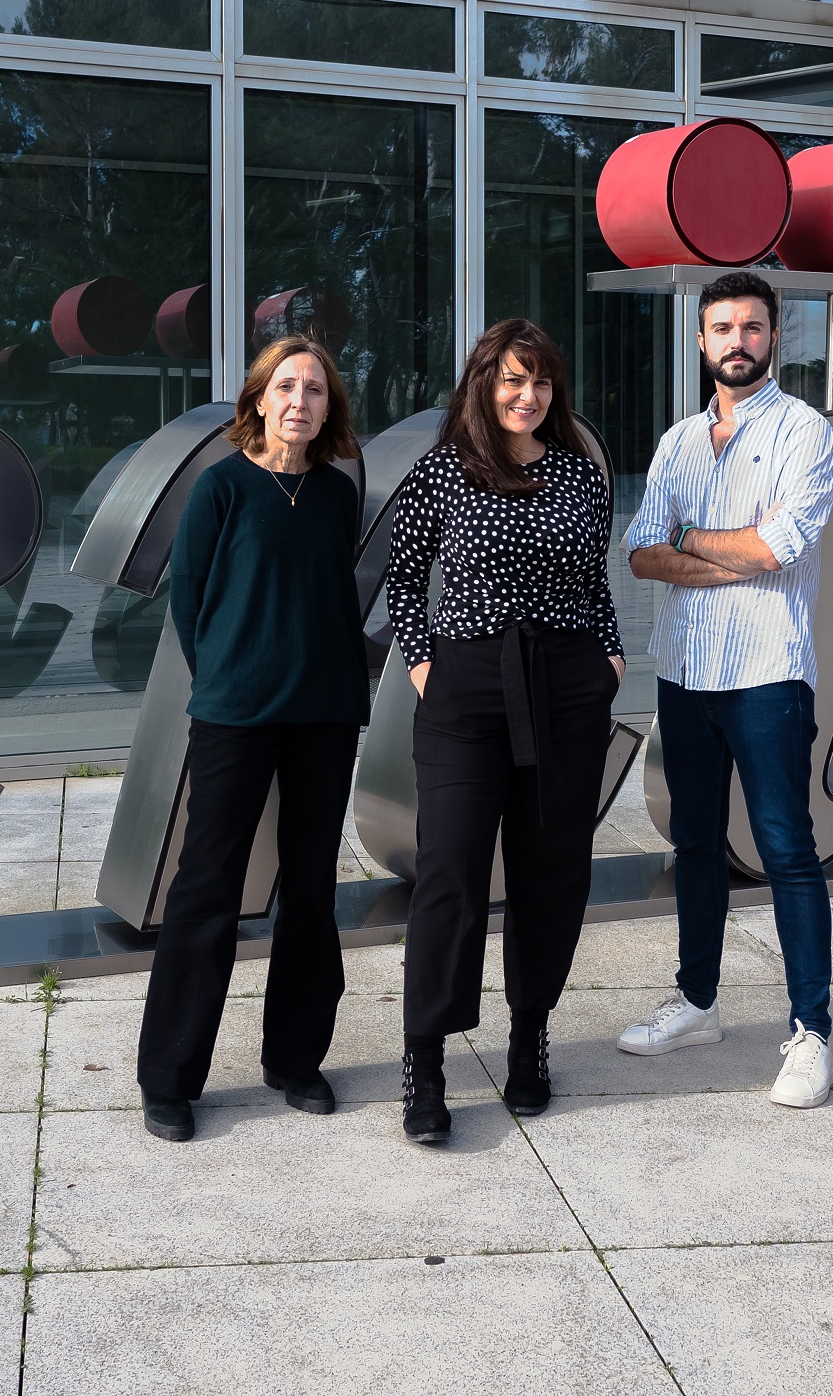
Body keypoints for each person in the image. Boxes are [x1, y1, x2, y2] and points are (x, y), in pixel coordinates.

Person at [383, 319, 624, 1142]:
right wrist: (425, 663)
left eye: (543, 382)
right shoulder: (446, 472)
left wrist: (611, 658)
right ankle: (426, 1063)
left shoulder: (579, 477)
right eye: (514, 380)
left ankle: (531, 1038)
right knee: (448, 873)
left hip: (566, 686)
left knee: (550, 869)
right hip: (466, 689)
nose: (529, 396)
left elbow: (595, 583)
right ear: (485, 384)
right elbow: (402, 578)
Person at [135, 335, 371, 1143]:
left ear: (327, 406)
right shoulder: (221, 489)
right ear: (260, 400)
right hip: (236, 716)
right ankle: (168, 1078)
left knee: (309, 890)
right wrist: (234, 676)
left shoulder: (340, 494)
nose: (300, 400)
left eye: (314, 388)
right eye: (286, 386)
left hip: (327, 716)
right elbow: (190, 607)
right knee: (206, 889)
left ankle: (295, 1060)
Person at [618, 270, 833, 1109]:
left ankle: (811, 1032)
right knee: (697, 846)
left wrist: (691, 542)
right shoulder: (676, 442)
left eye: (753, 326)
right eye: (723, 327)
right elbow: (641, 553)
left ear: (774, 338)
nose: (738, 340)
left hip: (767, 675)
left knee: (787, 850)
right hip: (685, 673)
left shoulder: (804, 432)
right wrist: (721, 550)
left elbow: (779, 547)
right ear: (702, 341)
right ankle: (699, 1003)